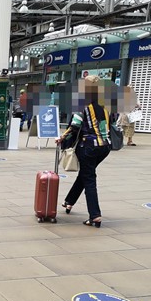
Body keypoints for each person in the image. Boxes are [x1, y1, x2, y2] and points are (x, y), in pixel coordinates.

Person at [55, 75, 111, 228]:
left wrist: (62, 137)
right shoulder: (104, 104)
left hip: (88, 146)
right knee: (86, 174)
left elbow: (75, 126)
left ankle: (95, 215)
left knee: (89, 179)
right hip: (105, 147)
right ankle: (69, 201)